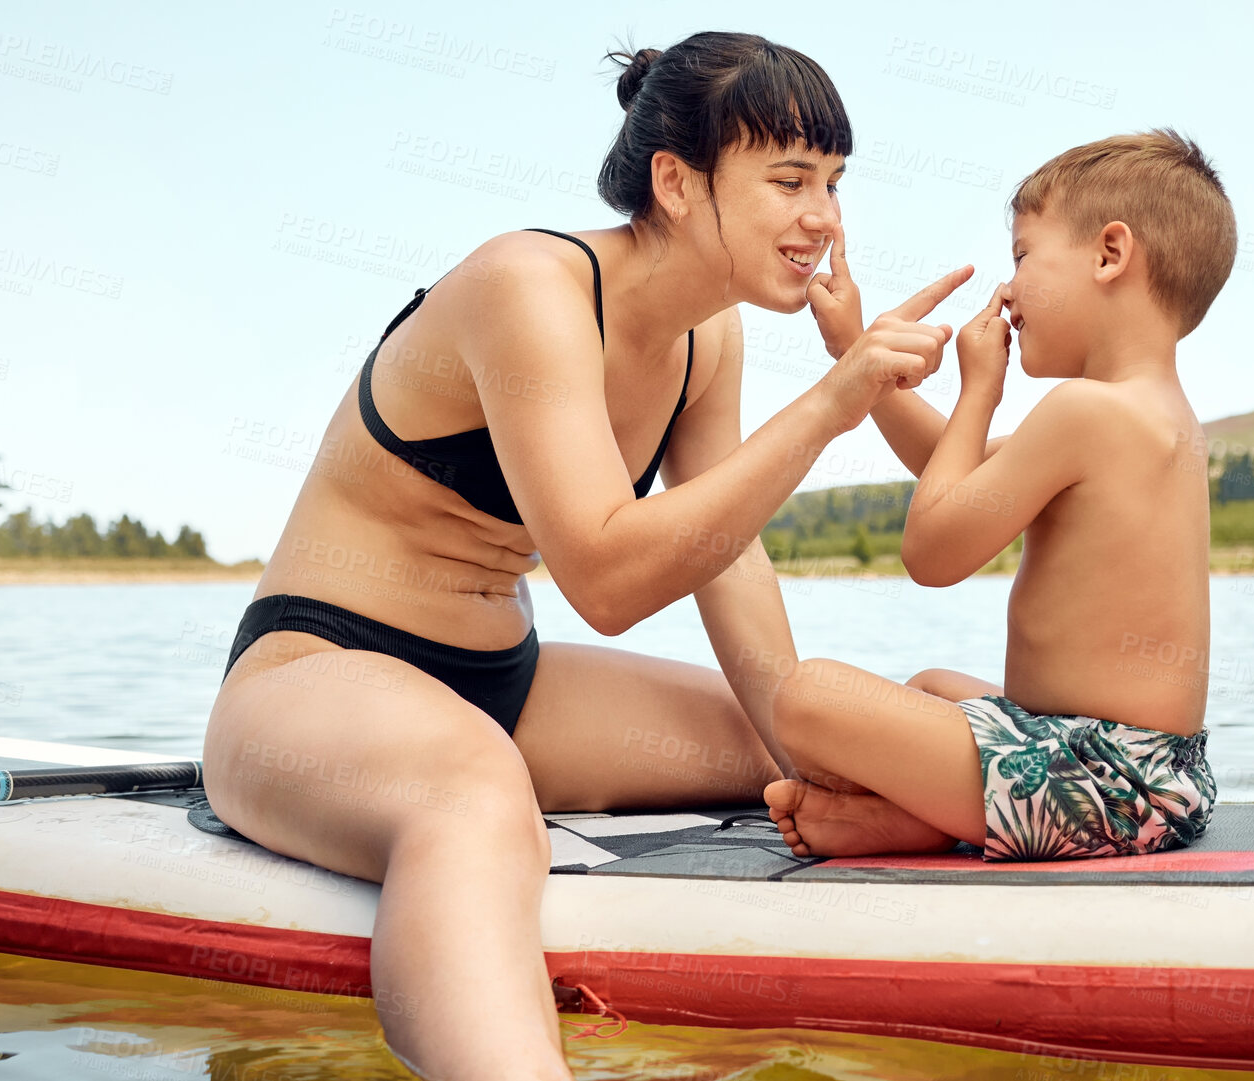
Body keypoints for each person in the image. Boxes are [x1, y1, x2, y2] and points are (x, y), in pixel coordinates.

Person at [202, 31, 967, 1080]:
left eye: (832, 183)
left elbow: (721, 552)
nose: (822, 218)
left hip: (500, 686)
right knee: (470, 796)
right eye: (789, 180)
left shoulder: (711, 336)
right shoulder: (530, 285)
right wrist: (833, 406)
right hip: (313, 672)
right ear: (677, 182)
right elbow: (604, 580)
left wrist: (806, 742)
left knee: (795, 747)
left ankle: (1019, 794)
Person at [764, 129, 1236, 864]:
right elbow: (954, 477)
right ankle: (928, 814)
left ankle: (928, 818)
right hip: (1148, 777)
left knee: (807, 694)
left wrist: (978, 389)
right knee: (927, 687)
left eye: (1021, 255)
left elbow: (931, 549)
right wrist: (855, 354)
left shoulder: (1086, 411)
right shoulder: (1150, 412)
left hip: (1097, 785)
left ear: (1109, 254)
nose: (1008, 288)